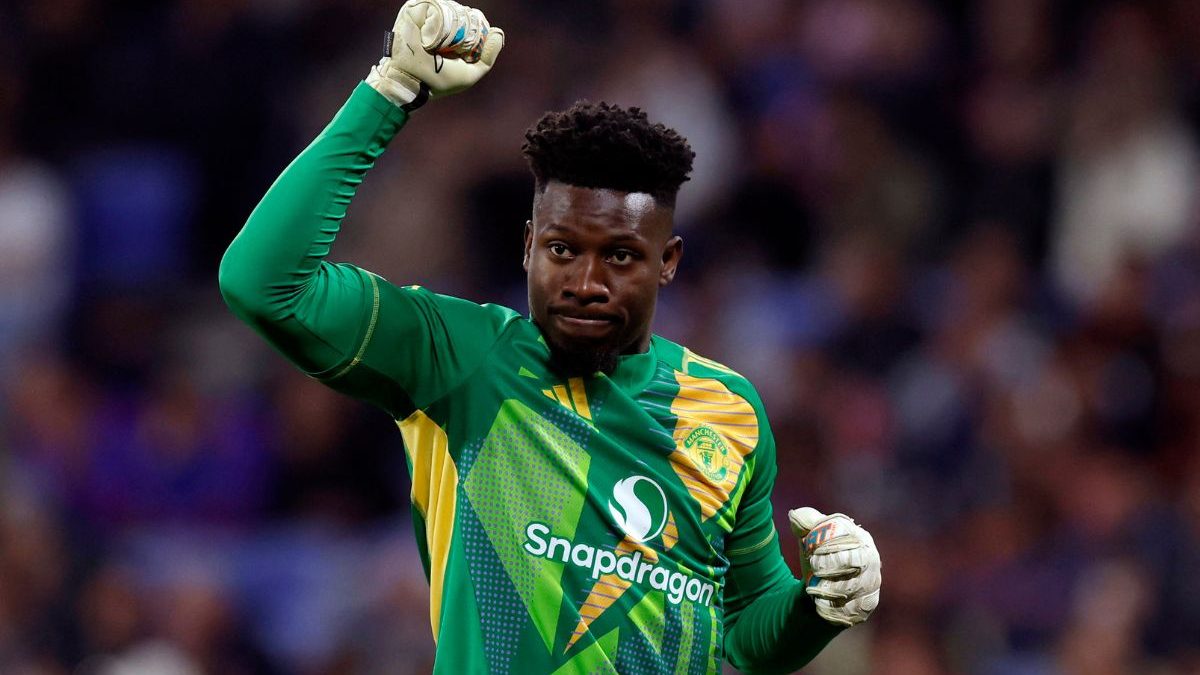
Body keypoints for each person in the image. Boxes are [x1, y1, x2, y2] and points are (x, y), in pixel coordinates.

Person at [219, 1, 882, 672]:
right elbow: (262, 281)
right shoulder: (464, 359)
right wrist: (389, 91)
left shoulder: (729, 410)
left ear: (668, 261)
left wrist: (818, 606)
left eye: (620, 256)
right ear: (529, 245)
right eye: (563, 249)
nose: (586, 281)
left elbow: (742, 637)